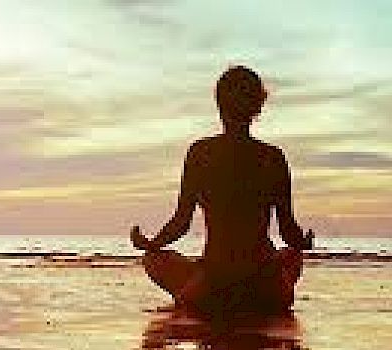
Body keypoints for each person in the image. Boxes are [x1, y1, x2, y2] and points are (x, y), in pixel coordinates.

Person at [131, 65, 313, 316]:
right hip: (266, 287)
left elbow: (181, 223)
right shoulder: (273, 157)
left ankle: (198, 292)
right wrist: (304, 242)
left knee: (153, 259)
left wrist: (150, 243)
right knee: (292, 255)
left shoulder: (200, 153)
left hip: (213, 285)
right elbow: (288, 231)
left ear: (218, 103)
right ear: (258, 106)